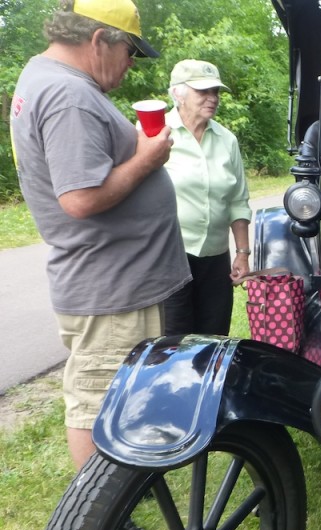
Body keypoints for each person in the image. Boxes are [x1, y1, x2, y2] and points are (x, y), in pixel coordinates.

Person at [10, 0, 190, 471]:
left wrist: (129, 144)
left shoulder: (51, 82)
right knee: (96, 404)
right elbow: (81, 199)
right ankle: (94, 518)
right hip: (110, 286)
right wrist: (148, 158)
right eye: (130, 51)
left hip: (115, 280)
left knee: (112, 398)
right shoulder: (68, 95)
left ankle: (113, 502)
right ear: (97, 40)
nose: (131, 65)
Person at [163, 59, 253, 336]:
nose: (212, 98)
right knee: (174, 341)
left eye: (216, 92)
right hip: (170, 257)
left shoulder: (227, 140)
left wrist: (242, 254)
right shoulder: (156, 132)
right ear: (178, 93)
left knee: (214, 339)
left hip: (215, 258)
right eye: (203, 91)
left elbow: (238, 200)